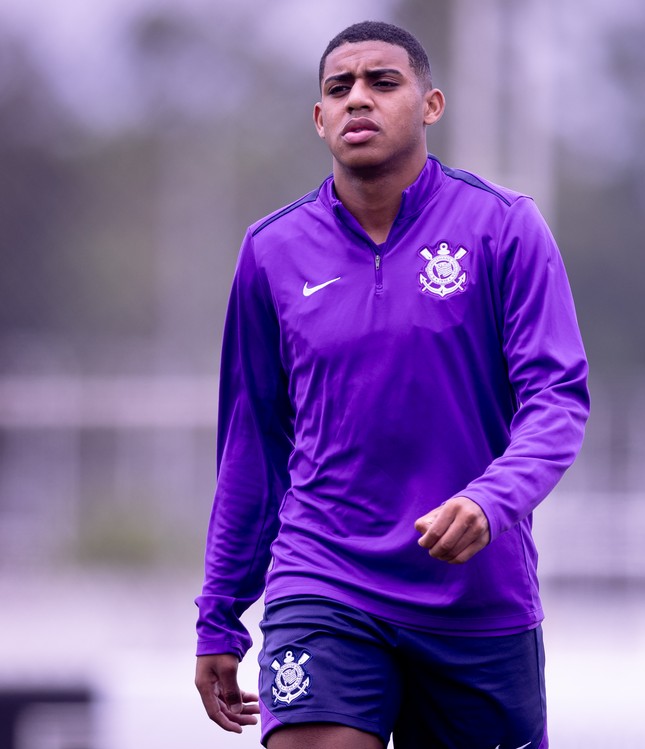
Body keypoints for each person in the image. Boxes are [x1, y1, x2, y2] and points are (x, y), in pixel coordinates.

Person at [193, 19, 589, 749]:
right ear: (319, 119)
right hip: (325, 577)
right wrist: (220, 609)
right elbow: (252, 445)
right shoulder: (271, 252)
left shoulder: (503, 229)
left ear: (430, 104)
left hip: (476, 598)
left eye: (383, 82)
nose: (358, 100)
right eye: (339, 88)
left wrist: (490, 498)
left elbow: (558, 401)